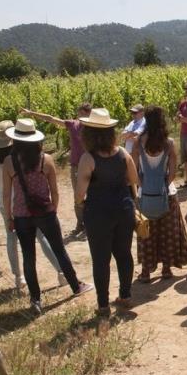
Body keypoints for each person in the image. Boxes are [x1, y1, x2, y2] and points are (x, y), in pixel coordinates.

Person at [3, 118, 93, 314]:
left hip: (21, 214)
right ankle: (75, 285)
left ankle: (35, 299)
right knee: (59, 250)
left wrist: (9, 218)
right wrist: (53, 208)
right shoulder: (46, 160)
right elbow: (55, 190)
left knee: (28, 256)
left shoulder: (9, 162)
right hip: (45, 212)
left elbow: (6, 194)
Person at [76, 108, 139, 317]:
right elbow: (133, 180)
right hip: (124, 208)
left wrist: (82, 203)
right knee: (124, 253)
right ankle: (126, 295)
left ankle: (103, 305)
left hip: (98, 213)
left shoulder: (88, 158)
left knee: (101, 259)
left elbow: (79, 194)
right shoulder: (123, 153)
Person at [0, 120, 67, 290]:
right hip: (25, 203)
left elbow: (1, 188)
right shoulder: (24, 157)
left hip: (7, 204)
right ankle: (61, 272)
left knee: (13, 239)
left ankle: (19, 278)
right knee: (42, 237)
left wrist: (8, 216)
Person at [134, 106, 187, 282]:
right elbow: (173, 172)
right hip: (166, 193)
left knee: (146, 232)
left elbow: (133, 168)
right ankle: (166, 269)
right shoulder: (168, 143)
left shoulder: (139, 142)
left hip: (145, 194)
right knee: (168, 232)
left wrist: (143, 186)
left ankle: (146, 271)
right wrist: (162, 185)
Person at [21, 103, 92, 237]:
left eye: (82, 113)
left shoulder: (93, 127)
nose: (80, 116)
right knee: (78, 197)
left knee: (91, 195)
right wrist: (31, 113)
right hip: (76, 166)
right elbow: (51, 118)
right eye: (79, 113)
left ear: (88, 113)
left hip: (90, 166)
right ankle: (80, 224)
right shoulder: (73, 125)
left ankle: (89, 225)